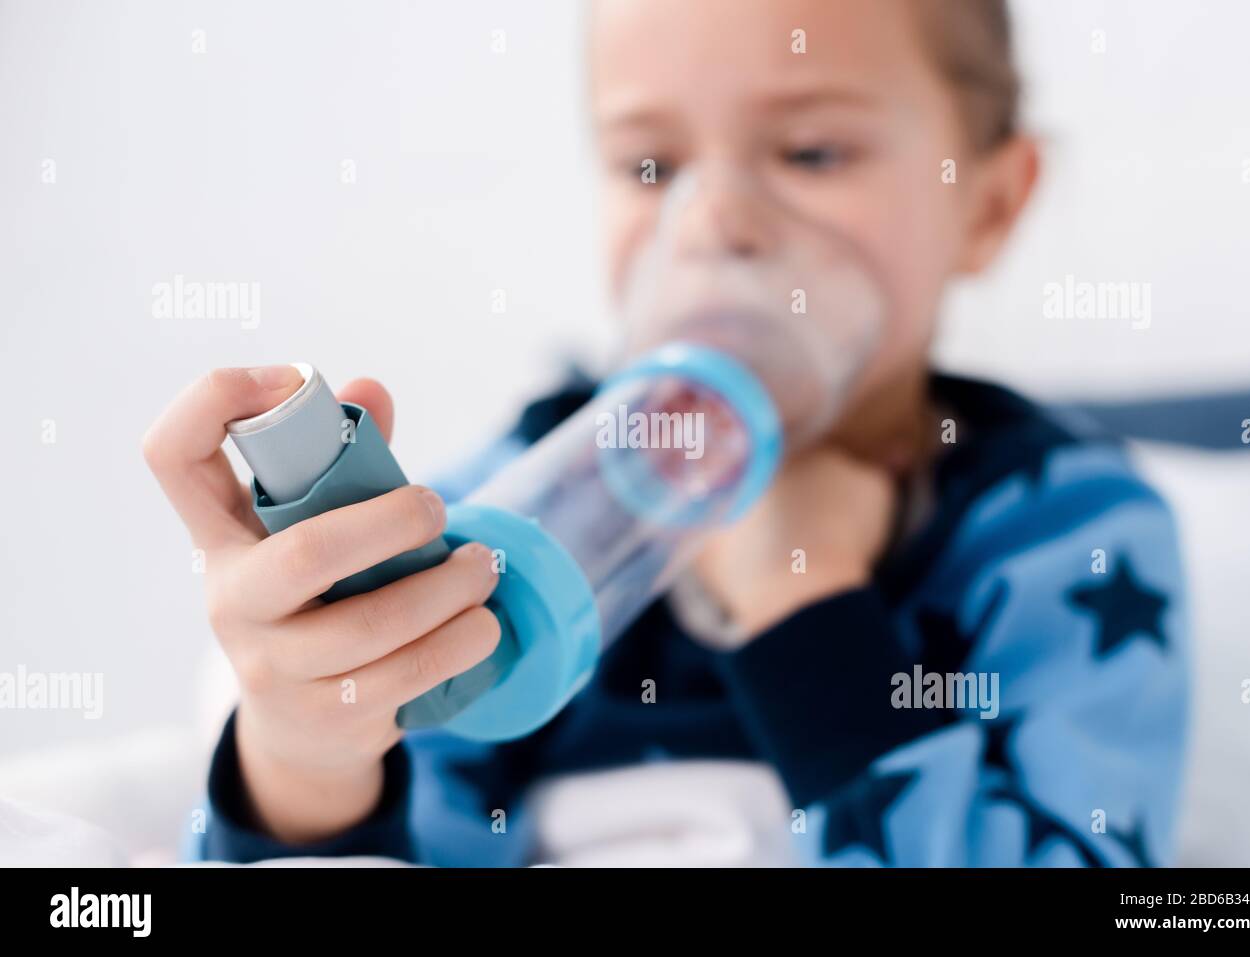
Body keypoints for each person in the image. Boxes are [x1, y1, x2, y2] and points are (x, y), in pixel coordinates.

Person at [143, 0, 1189, 866]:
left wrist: (803, 597)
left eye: (812, 150)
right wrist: (307, 757)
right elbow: (416, 838)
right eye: (650, 167)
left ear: (990, 206)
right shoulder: (513, 504)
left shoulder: (1061, 534)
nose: (714, 222)